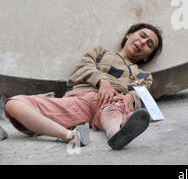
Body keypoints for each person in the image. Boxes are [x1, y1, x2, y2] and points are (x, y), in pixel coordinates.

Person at [4, 23, 163, 150]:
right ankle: (68, 135)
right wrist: (103, 81)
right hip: (81, 101)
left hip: (114, 102)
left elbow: (142, 96)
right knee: (13, 104)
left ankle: (117, 133)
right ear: (129, 34)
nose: (142, 42)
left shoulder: (144, 76)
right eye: (142, 36)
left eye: (149, 44)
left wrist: (130, 97)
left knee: (114, 108)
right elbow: (83, 67)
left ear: (148, 55)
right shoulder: (101, 52)